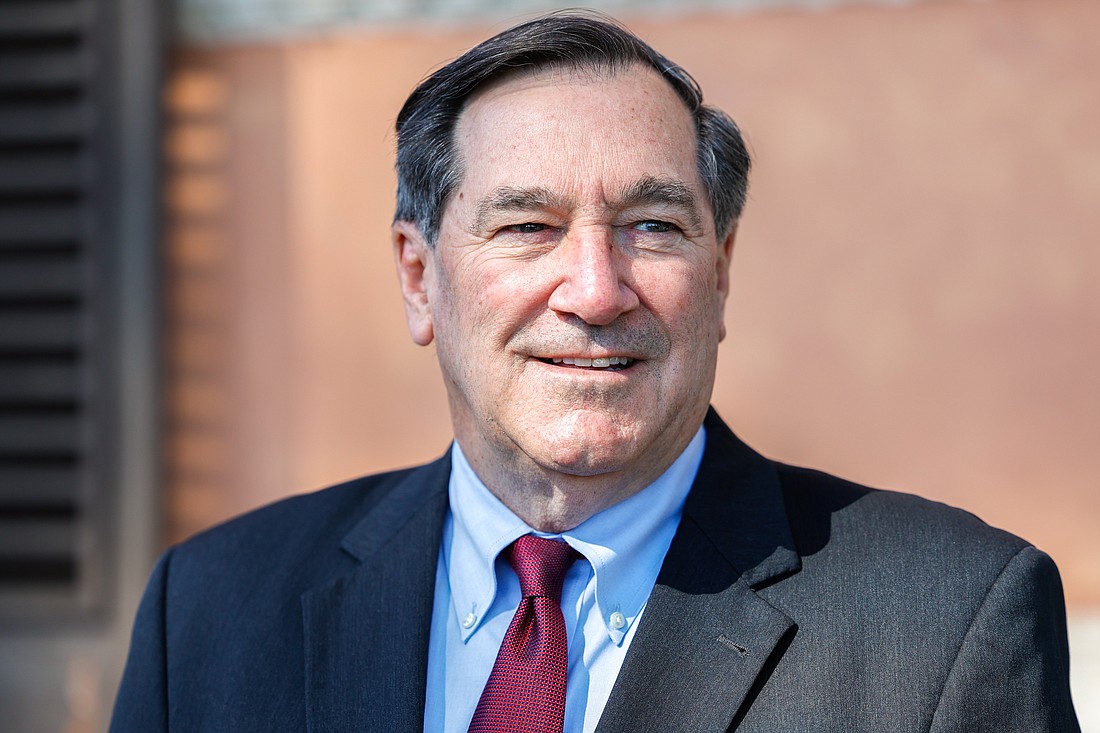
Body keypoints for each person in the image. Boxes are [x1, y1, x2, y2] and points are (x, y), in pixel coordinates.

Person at [110, 12, 1080, 733]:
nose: (594, 289)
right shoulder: (213, 608)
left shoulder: (948, 616)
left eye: (651, 227)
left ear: (722, 272)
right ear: (419, 277)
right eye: (527, 226)